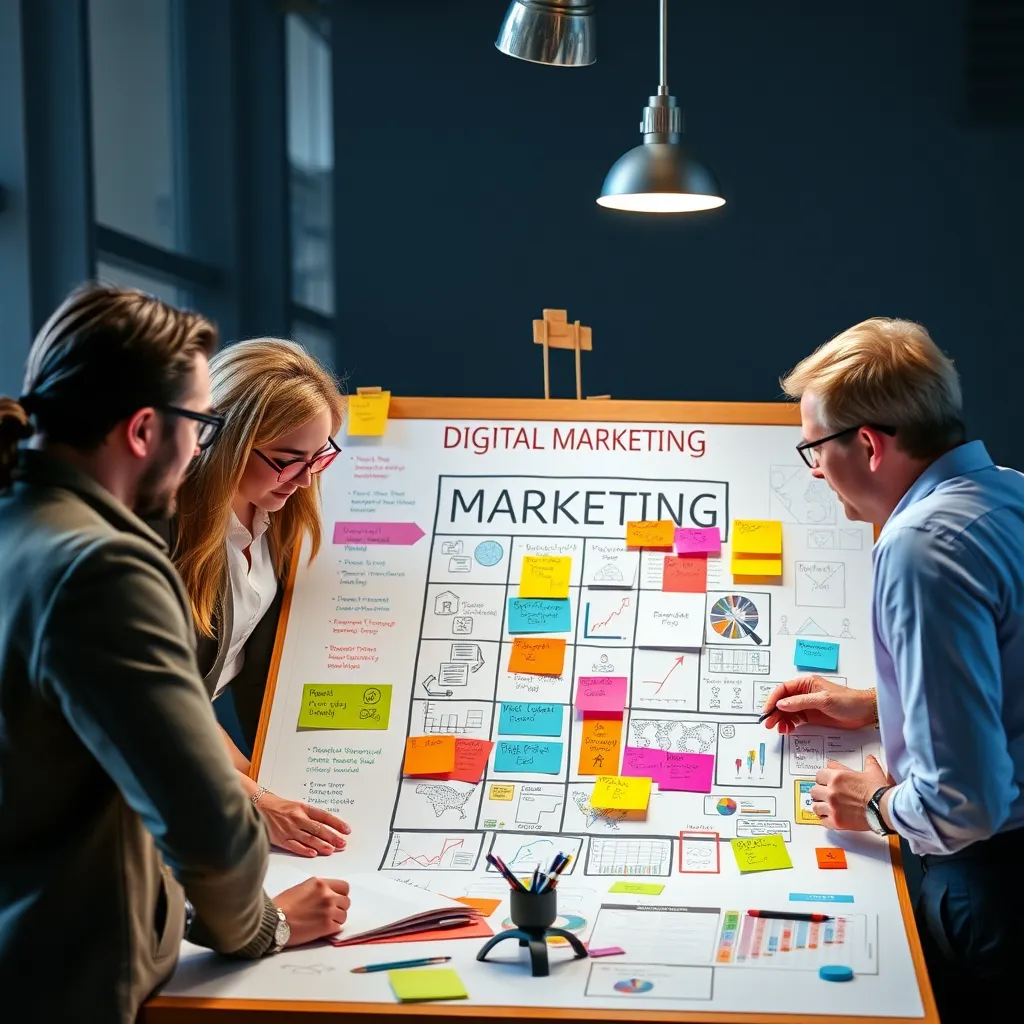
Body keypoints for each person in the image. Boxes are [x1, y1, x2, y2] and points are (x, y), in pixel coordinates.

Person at [0, 284, 351, 1023]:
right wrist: (264, 925)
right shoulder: (106, 567)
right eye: (198, 424)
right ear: (141, 430)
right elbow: (205, 827)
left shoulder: (18, 527)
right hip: (64, 973)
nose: (199, 449)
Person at [761, 316, 1024, 1017]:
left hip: (989, 888)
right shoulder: (1010, 497)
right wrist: (877, 702)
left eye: (814, 448)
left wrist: (871, 804)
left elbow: (965, 804)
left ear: (870, 445)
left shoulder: (917, 547)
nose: (814, 471)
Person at [169, 338, 350, 858]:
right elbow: (160, 703)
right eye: (286, 460)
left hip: (200, 751)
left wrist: (260, 779)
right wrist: (255, 795)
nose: (301, 480)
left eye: (318, 458)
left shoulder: (279, 512)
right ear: (222, 437)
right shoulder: (165, 533)